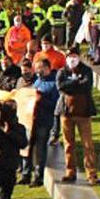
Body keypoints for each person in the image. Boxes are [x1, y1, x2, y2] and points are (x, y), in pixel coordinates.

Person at [57, 47, 99, 184]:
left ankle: (91, 174)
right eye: (70, 56)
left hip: (83, 113)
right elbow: (61, 86)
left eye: (74, 56)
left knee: (88, 145)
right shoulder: (62, 71)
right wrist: (76, 82)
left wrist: (72, 86)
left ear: (79, 57)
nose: (72, 59)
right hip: (66, 113)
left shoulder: (86, 70)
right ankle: (70, 172)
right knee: (69, 145)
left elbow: (86, 86)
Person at [21, 57, 58, 186]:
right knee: (27, 146)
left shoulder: (54, 83)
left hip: (44, 120)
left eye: (39, 68)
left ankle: (38, 176)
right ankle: (26, 174)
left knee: (40, 148)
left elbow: (55, 104)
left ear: (47, 68)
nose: (37, 71)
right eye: (36, 68)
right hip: (31, 119)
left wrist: (40, 99)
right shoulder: (37, 81)